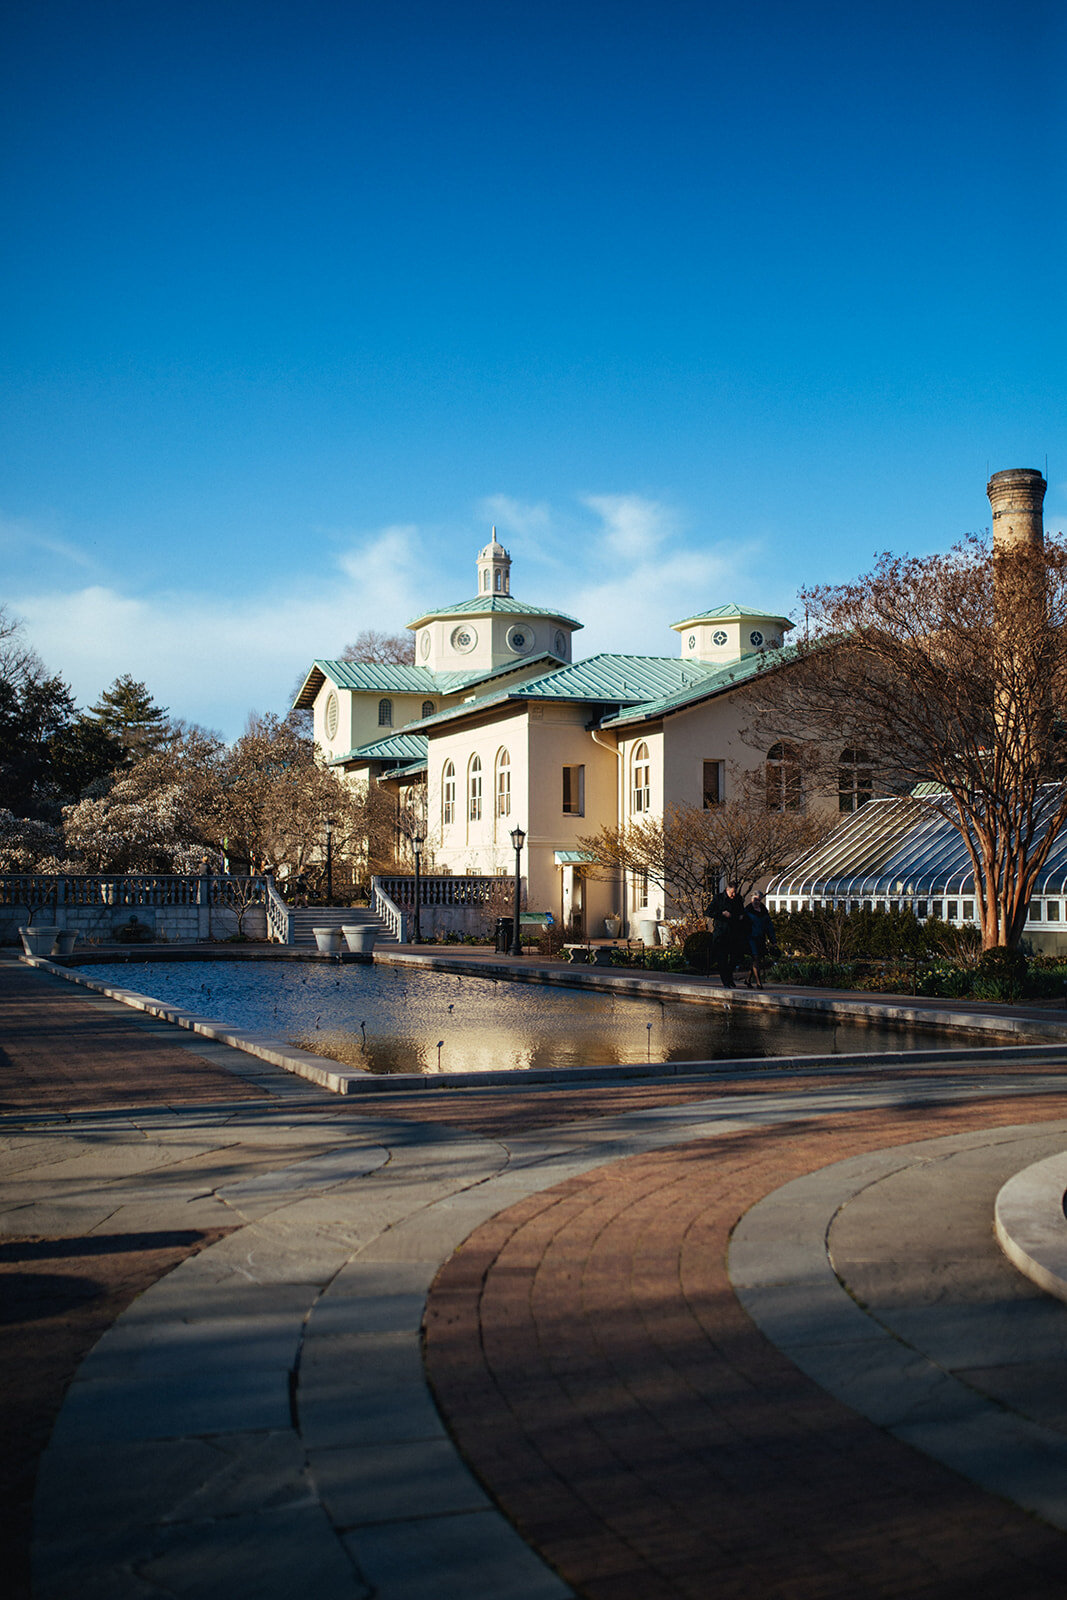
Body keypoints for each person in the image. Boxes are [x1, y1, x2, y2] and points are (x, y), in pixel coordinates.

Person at [706, 882, 749, 987]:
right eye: (732, 893)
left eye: (735, 893)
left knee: (735, 958)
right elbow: (708, 912)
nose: (733, 895)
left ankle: (729, 977)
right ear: (727, 890)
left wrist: (741, 916)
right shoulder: (719, 898)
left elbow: (741, 911)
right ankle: (726, 981)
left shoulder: (738, 899)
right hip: (722, 933)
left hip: (734, 932)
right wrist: (722, 914)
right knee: (722, 959)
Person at [745, 891, 779, 988]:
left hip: (760, 938)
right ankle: (759, 983)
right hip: (751, 938)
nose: (757, 902)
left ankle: (747, 980)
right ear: (751, 899)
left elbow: (769, 927)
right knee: (756, 957)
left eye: (758, 900)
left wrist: (773, 941)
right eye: (755, 899)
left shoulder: (764, 911)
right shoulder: (747, 911)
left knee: (758, 959)